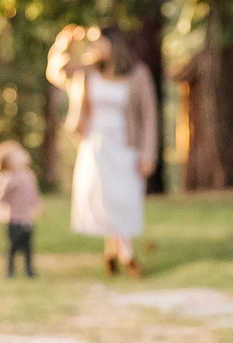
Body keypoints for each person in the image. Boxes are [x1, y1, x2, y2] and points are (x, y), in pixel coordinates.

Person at [46, 23, 159, 277]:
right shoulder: (87, 70)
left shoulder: (138, 74)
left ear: (113, 43)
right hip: (96, 144)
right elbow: (56, 71)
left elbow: (149, 116)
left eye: (99, 41)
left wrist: (148, 153)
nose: (95, 46)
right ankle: (125, 254)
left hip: (126, 144)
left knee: (123, 198)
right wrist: (66, 43)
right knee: (103, 198)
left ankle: (116, 251)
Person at [0, 142, 41, 278]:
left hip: (27, 218)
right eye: (17, 155)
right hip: (14, 219)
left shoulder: (29, 176)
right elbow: (0, 198)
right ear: (9, 162)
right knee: (13, 246)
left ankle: (29, 270)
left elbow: (33, 195)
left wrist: (37, 206)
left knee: (28, 246)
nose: (23, 155)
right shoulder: (8, 179)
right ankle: (10, 271)